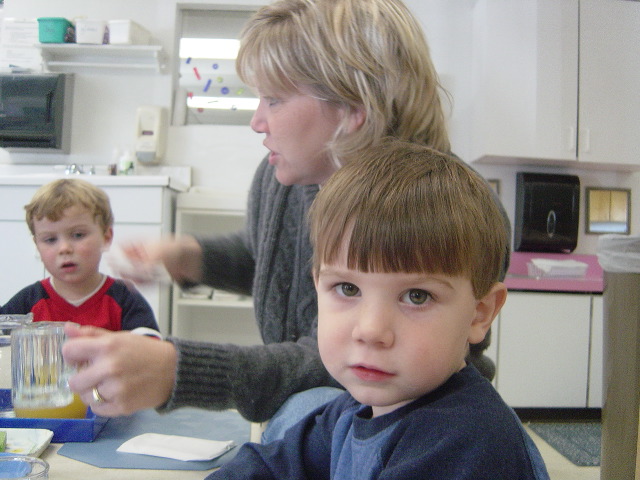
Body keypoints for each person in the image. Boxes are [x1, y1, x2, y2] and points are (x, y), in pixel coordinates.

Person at [61, 0, 507, 434]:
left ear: (353, 108)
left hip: (411, 411)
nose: (257, 121)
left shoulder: (439, 207)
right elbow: (272, 261)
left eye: (273, 100)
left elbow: (340, 363)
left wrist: (179, 368)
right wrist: (188, 256)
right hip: (334, 388)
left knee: (308, 411)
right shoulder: (282, 178)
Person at [206, 139, 548, 480]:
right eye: (348, 289)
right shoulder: (353, 410)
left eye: (416, 296)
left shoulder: (468, 443)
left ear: (480, 313)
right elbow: (270, 465)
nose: (370, 330)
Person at [0, 178, 159, 332]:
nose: (64, 248)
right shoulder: (27, 303)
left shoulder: (124, 300)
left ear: (106, 237)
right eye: (50, 239)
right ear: (37, 246)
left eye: (78, 235)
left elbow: (152, 351)